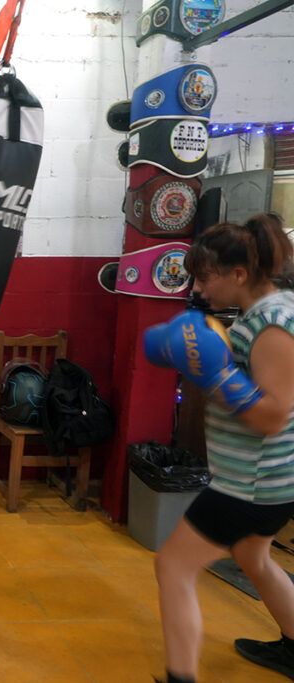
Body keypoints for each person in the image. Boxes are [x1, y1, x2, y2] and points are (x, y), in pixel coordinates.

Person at [145, 214, 294, 683]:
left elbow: (273, 415)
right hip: (267, 480)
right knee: (254, 558)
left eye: (206, 278)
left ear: (239, 274)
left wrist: (217, 376)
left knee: (173, 566)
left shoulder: (272, 325)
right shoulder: (271, 310)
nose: (199, 288)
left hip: (250, 485)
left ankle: (181, 678)